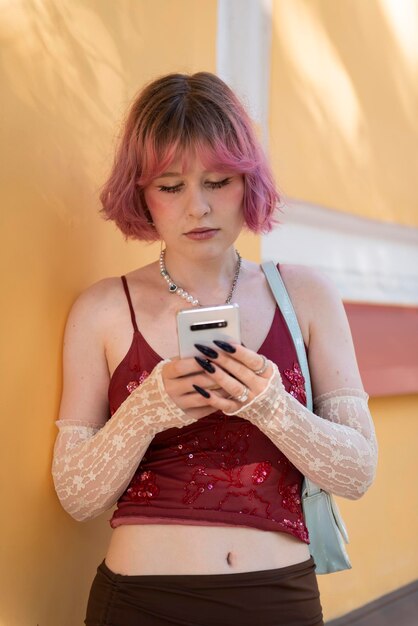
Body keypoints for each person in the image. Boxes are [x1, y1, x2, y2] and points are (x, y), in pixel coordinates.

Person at [52, 72, 377, 626]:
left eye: (218, 181)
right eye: (171, 186)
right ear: (141, 195)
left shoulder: (307, 295)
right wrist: (146, 410)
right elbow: (77, 496)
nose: (197, 207)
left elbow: (357, 472)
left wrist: (275, 409)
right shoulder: (102, 309)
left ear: (248, 182)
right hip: (140, 603)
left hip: (279, 600)